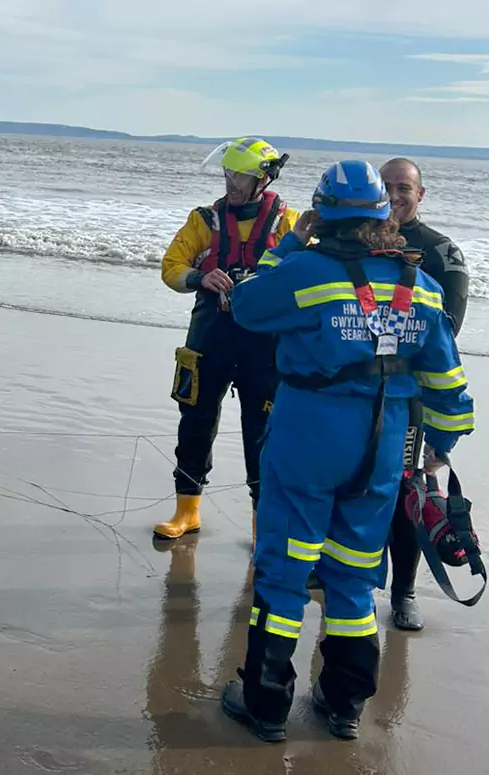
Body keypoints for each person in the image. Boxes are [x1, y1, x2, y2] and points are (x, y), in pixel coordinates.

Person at [220, 159, 474, 743]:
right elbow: (450, 386)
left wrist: (287, 241)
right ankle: (344, 704)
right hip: (384, 446)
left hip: (309, 436)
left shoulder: (304, 269)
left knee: (285, 572)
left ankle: (265, 704)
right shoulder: (423, 286)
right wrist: (439, 446)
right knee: (356, 577)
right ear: (384, 214)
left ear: (322, 213)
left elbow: (249, 303)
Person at [155, 137, 299, 543]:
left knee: (264, 433)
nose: (230, 182)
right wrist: (201, 277)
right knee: (195, 423)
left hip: (265, 347)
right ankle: (186, 511)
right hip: (209, 337)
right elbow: (171, 267)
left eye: (239, 176)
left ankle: (262, 526)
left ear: (263, 179)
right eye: (227, 174)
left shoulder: (291, 224)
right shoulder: (204, 220)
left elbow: (310, 278)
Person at [379, 157, 470, 631]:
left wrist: (440, 434)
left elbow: (445, 337)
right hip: (359, 397)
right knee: (345, 489)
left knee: (407, 495)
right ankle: (335, 576)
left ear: (421, 193)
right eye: (386, 186)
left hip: (411, 402)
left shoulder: (440, 252)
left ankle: (404, 591)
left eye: (403, 187)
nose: (394, 195)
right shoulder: (356, 242)